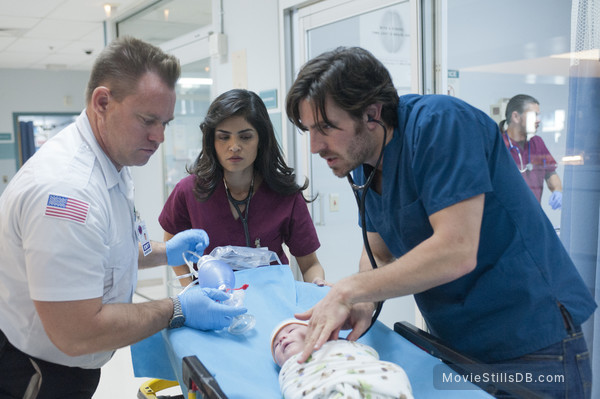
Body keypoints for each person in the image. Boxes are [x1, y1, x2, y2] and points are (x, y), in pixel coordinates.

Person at [285, 47, 596, 398]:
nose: (314, 146)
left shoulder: (440, 125)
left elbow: (457, 251)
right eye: (309, 130)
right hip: (456, 345)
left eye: (326, 127)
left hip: (530, 340)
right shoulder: (362, 163)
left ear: (372, 113)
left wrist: (348, 290)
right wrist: (362, 303)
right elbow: (379, 255)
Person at [0, 37, 246, 398]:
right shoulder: (69, 192)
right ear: (103, 102)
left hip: (70, 365)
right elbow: (77, 332)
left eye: (165, 122)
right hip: (37, 376)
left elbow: (105, 250)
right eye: (148, 120)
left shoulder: (112, 161)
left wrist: (166, 253)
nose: (159, 136)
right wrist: (177, 309)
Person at [159, 89, 326, 286]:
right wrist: (191, 289)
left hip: (273, 303)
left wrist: (318, 284)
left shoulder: (285, 195)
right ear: (212, 140)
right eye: (224, 137)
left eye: (245, 137)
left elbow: (309, 265)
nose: (234, 146)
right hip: (212, 304)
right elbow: (172, 250)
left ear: (261, 140)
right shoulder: (188, 191)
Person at [270, 319, 414, 399]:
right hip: (323, 391)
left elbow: (366, 357)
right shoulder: (289, 371)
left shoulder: (340, 345)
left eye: (291, 330)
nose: (282, 338)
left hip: (369, 378)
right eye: (276, 345)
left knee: (395, 372)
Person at [499, 94, 563, 209]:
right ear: (516, 117)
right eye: (534, 115)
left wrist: (557, 191)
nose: (538, 120)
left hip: (533, 214)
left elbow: (550, 173)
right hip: (506, 217)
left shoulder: (537, 143)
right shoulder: (498, 146)